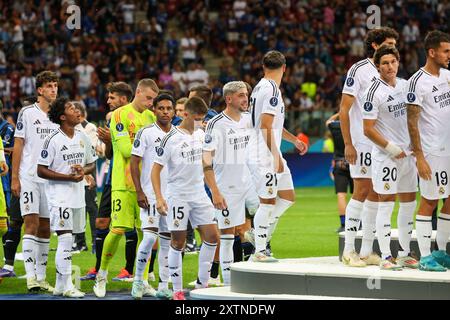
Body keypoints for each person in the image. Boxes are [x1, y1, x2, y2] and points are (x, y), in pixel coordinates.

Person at [93, 78, 159, 298]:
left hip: (146, 184)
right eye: (148, 98)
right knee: (118, 229)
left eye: (153, 99)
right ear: (138, 92)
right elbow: (125, 149)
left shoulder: (151, 117)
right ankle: (101, 276)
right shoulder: (120, 114)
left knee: (147, 233)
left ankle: (141, 280)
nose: (151, 103)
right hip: (123, 183)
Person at [339, 27, 399, 267]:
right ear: (375, 46)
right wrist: (348, 144)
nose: (393, 48)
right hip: (362, 142)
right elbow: (344, 109)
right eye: (389, 43)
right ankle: (349, 250)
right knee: (362, 190)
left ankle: (366, 251)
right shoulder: (359, 70)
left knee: (376, 192)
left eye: (395, 44)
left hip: (382, 145)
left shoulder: (389, 70)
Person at [151, 96, 219, 300]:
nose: (200, 122)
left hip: (198, 193)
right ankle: (177, 290)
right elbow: (155, 171)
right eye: (197, 118)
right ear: (185, 114)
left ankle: (202, 283)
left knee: (212, 237)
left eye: (202, 119)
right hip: (177, 195)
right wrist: (159, 197)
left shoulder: (202, 135)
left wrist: (215, 190)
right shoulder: (170, 138)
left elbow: (207, 163)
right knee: (178, 242)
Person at [246, 50, 307, 262]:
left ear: (264, 67)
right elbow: (265, 126)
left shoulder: (260, 87)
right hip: (263, 153)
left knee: (288, 197)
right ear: (284, 68)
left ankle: (258, 233)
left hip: (266, 149)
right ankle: (260, 251)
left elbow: (273, 126)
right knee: (268, 202)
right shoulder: (272, 90)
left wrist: (294, 141)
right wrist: (275, 157)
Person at [362, 45, 419, 270]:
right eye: (385, 63)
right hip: (387, 157)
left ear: (398, 63)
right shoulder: (373, 92)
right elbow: (367, 128)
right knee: (385, 204)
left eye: (393, 62)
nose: (390, 67)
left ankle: (405, 253)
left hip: (408, 157)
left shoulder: (405, 86)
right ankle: (386, 256)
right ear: (377, 66)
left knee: (408, 204)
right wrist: (392, 148)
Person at [37, 97, 97, 298]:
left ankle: (61, 287)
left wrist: (83, 170)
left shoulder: (82, 137)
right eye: (72, 108)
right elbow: (41, 170)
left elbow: (91, 163)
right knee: (65, 239)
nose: (77, 110)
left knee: (69, 240)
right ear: (62, 117)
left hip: (77, 196)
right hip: (59, 197)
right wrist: (67, 177)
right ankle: (68, 285)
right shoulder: (52, 139)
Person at [81, 82, 139, 282]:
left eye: (112, 97)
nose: (108, 101)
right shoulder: (113, 119)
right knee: (101, 221)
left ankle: (130, 270)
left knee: (130, 226)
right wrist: (107, 141)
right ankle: (98, 268)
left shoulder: (135, 117)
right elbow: (109, 154)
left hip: (131, 179)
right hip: (112, 176)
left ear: (123, 98)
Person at [202, 81, 257, 285]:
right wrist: (215, 191)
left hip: (249, 184)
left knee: (267, 214)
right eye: (241, 95)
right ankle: (227, 282)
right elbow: (206, 160)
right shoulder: (217, 124)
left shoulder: (248, 119)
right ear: (229, 98)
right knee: (226, 235)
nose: (246, 99)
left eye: (246, 95)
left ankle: (258, 257)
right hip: (228, 188)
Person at [406, 30, 450, 271]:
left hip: (449, 150)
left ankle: (441, 251)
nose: (449, 55)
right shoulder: (416, 82)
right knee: (430, 201)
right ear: (431, 52)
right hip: (432, 152)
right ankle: (425, 256)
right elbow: (411, 122)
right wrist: (419, 156)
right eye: (446, 51)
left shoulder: (447, 76)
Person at [11, 71, 59, 292]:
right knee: (30, 224)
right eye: (49, 86)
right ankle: (31, 277)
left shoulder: (59, 115)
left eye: (55, 86)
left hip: (50, 180)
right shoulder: (27, 113)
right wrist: (15, 178)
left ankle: (41, 277)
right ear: (40, 90)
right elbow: (19, 144)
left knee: (46, 228)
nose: (53, 90)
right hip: (29, 177)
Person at [130, 93, 174, 300]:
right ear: (154, 110)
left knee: (167, 241)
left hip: (172, 196)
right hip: (149, 194)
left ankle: (164, 285)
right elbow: (134, 162)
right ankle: (139, 281)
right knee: (149, 237)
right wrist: (139, 191)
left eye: (169, 108)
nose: (165, 112)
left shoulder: (178, 134)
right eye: (161, 108)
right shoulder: (145, 133)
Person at [73, 102, 98, 253]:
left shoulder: (90, 128)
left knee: (91, 207)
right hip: (75, 173)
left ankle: (95, 241)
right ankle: (80, 242)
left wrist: (87, 173)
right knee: (76, 207)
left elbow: (91, 150)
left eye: (76, 112)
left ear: (82, 114)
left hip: (87, 171)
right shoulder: (70, 128)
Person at [326, 113, 354, 233]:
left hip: (339, 162)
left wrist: (339, 113)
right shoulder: (355, 125)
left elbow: (328, 122)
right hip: (355, 161)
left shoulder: (336, 126)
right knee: (357, 194)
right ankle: (358, 222)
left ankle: (343, 224)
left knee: (341, 195)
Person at [0, 101, 17, 277]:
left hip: (4, 183)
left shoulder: (7, 128)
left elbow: (10, 150)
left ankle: (7, 264)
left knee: (6, 223)